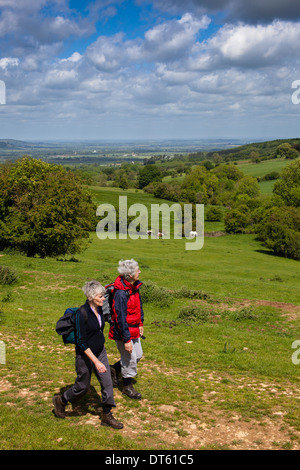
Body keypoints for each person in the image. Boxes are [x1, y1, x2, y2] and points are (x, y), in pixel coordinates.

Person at [52, 280, 123, 429]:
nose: (103, 299)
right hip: (85, 355)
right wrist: (96, 362)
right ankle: (61, 400)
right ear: (90, 297)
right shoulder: (81, 314)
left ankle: (106, 415)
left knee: (107, 382)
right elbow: (81, 342)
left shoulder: (100, 310)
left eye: (103, 296)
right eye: (100, 297)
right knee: (82, 387)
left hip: (100, 351)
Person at [109, 259, 144, 399]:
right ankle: (127, 387)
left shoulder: (133, 287)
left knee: (138, 355)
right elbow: (120, 317)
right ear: (130, 274)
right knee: (130, 358)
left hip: (134, 328)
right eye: (137, 270)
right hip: (123, 332)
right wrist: (126, 339)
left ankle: (114, 369)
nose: (139, 271)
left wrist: (140, 323)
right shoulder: (121, 293)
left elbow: (138, 306)